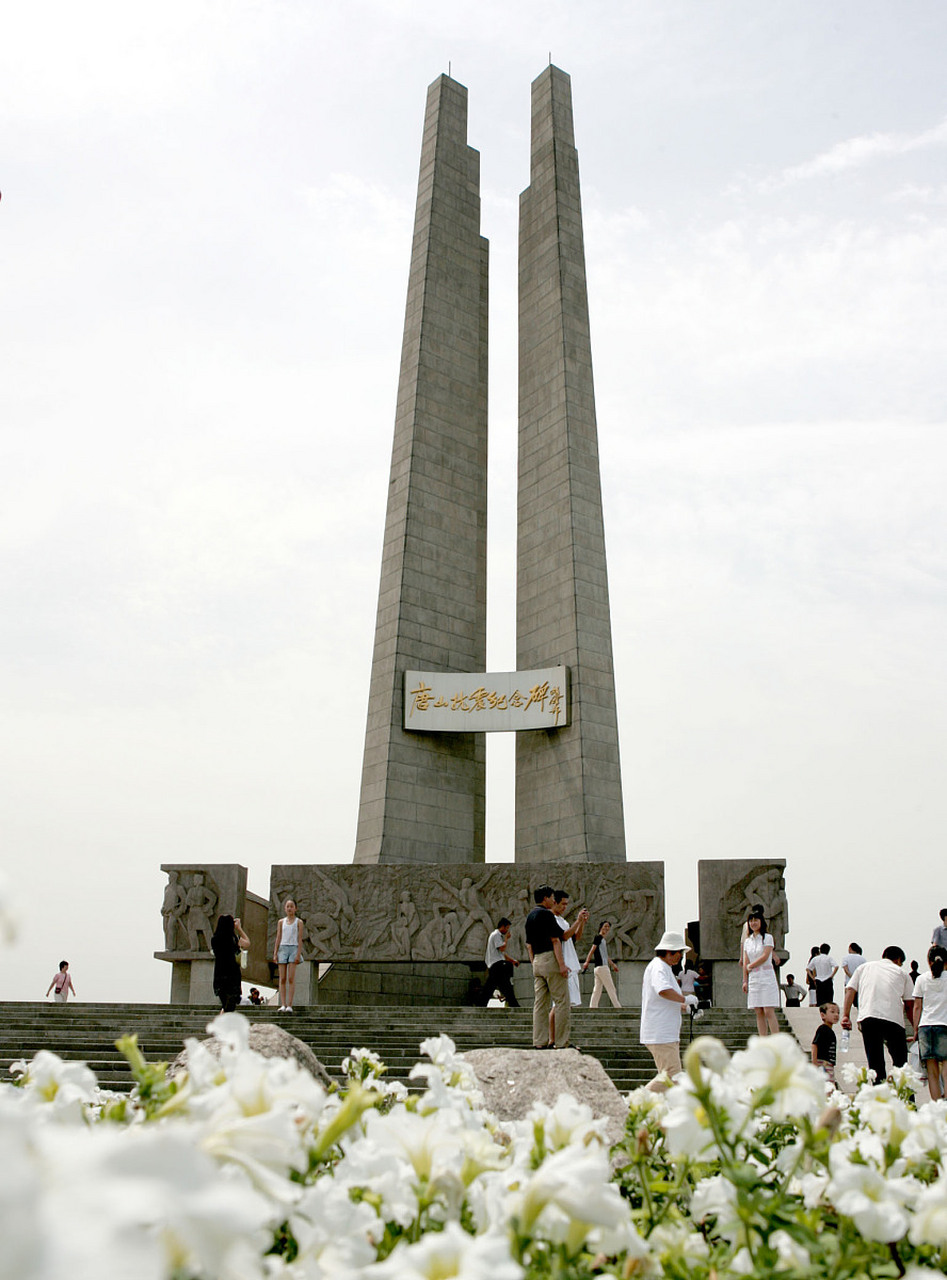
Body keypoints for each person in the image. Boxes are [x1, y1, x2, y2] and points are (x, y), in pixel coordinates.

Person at [841, 945, 914, 1083]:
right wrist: (915, 1028)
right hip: (893, 1019)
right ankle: (907, 1099)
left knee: (875, 1063)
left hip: (869, 1017)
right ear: (898, 960)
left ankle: (878, 1096)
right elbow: (909, 1006)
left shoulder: (864, 968)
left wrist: (846, 1015)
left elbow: (850, 990)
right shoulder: (902, 972)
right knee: (901, 1063)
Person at [639, 929, 697, 1088]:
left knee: (671, 1078)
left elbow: (666, 1000)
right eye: (679, 952)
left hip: (665, 1032)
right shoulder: (659, 967)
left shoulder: (664, 968)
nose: (680, 956)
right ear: (669, 951)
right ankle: (634, 1103)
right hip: (661, 1033)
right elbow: (663, 990)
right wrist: (685, 998)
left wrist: (686, 1008)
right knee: (671, 1075)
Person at [525, 885, 571, 1049]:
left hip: (536, 960)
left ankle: (539, 1041)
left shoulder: (530, 916)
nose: (554, 900)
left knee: (540, 1004)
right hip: (550, 959)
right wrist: (562, 965)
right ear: (545, 898)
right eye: (552, 897)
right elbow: (556, 940)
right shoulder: (547, 915)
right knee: (561, 1002)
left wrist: (533, 963)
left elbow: (528, 944)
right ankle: (561, 1042)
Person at [912, 946, 947, 1101]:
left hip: (925, 1027)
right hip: (944, 1025)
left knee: (932, 1072)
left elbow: (917, 1007)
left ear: (928, 961)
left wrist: (915, 1030)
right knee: (946, 1070)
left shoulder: (921, 979)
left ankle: (937, 1106)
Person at [742, 909, 779, 1036]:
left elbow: (765, 955)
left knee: (768, 1010)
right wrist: (745, 980)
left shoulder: (767, 937)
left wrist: (751, 965)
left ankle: (776, 1040)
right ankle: (763, 1040)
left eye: (756, 920)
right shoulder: (748, 941)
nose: (753, 923)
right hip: (754, 977)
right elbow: (745, 961)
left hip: (766, 976)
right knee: (758, 1011)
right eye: (751, 921)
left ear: (761, 922)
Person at [211, 915, 250, 1012]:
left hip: (219, 975)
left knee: (225, 1005)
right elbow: (247, 943)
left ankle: (222, 1023)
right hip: (232, 975)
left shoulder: (214, 940)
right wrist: (239, 928)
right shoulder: (233, 939)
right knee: (230, 1005)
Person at [273, 898, 305, 1013]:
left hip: (293, 948)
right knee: (282, 978)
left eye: (292, 906)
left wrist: (298, 953)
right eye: (288, 906)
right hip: (283, 948)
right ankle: (283, 1004)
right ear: (285, 908)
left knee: (291, 978)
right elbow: (278, 937)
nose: (290, 908)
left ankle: (289, 1005)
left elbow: (300, 939)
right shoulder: (281, 922)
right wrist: (275, 953)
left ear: (295, 908)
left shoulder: (299, 922)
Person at [582, 920, 622, 1008]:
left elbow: (605, 955)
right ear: (601, 927)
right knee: (611, 988)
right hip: (602, 968)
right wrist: (587, 962)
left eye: (608, 927)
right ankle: (618, 1007)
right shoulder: (598, 938)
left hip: (599, 968)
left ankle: (593, 1007)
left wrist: (613, 965)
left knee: (597, 989)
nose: (607, 928)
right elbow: (592, 950)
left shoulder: (603, 940)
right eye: (605, 926)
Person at [483, 917, 520, 1007]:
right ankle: (513, 1004)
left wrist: (512, 961)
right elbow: (502, 948)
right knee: (504, 985)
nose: (507, 930)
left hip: (496, 964)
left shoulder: (497, 936)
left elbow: (502, 954)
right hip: (497, 965)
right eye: (507, 928)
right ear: (502, 926)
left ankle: (481, 1003)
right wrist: (506, 938)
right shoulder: (496, 934)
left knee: (495, 985)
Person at [811, 1001, 839, 1084]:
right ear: (823, 1015)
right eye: (832, 1012)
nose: (836, 1015)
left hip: (829, 1064)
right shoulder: (822, 1029)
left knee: (829, 1085)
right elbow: (814, 1045)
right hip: (823, 1063)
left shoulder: (830, 1031)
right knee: (828, 1086)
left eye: (838, 1012)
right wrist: (815, 1063)